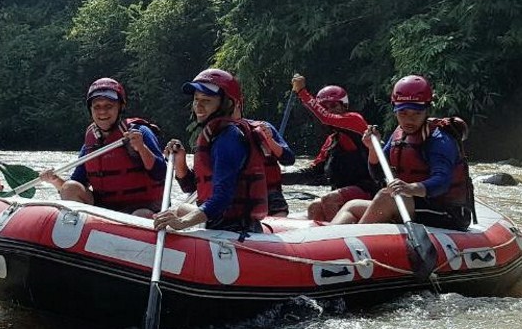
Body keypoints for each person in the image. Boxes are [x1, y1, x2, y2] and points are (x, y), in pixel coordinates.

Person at [331, 75, 473, 231]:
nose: (409, 120)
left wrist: (410, 188)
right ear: (395, 110)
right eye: (403, 113)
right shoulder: (400, 134)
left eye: (416, 114)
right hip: (414, 204)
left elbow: (442, 182)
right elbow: (378, 175)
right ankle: (327, 241)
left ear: (426, 110)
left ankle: (354, 237)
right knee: (352, 206)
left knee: (386, 197)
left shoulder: (439, 140)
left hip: (448, 212)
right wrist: (372, 148)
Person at [153, 68, 268, 234]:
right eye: (196, 99)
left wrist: (182, 222)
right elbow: (195, 188)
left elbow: (222, 198)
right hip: (219, 222)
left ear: (226, 104)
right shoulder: (214, 135)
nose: (198, 106)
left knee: (178, 214)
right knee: (176, 209)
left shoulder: (229, 138)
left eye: (206, 100)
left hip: (234, 230)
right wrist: (180, 163)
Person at [40, 78, 166, 217]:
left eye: (108, 106)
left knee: (141, 214)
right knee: (70, 187)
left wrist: (141, 148)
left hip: (144, 208)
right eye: (97, 107)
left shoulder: (140, 132)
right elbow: (77, 183)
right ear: (90, 110)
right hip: (107, 209)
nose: (102, 112)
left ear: (120, 107)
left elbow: (161, 173)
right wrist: (55, 180)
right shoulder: (91, 142)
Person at [282, 75, 378, 221]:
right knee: (314, 207)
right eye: (325, 107)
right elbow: (312, 172)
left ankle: (341, 237)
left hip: (366, 191)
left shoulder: (355, 121)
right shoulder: (331, 141)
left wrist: (302, 92)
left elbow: (325, 117)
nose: (329, 110)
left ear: (344, 106)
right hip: (341, 193)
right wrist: (277, 178)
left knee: (329, 199)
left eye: (334, 106)